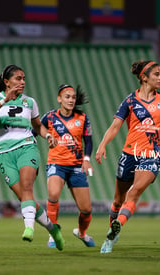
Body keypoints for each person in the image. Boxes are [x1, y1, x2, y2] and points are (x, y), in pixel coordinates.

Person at [96, 60, 160, 253]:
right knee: (118, 200)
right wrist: (102, 145)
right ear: (144, 77)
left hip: (152, 155)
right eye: (156, 74)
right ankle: (112, 233)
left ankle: (115, 228)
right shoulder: (129, 101)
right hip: (129, 154)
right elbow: (115, 126)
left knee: (134, 193)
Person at [0, 64, 65, 251]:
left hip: (26, 147)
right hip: (3, 153)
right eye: (18, 78)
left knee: (27, 188)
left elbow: (37, 126)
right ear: (6, 81)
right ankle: (53, 230)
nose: (22, 82)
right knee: (25, 198)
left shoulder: (30, 102)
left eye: (24, 78)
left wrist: (48, 135)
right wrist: (5, 100)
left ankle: (29, 229)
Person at [41, 84, 95, 248]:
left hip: (76, 167)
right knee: (53, 194)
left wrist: (86, 158)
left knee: (86, 210)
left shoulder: (82, 118)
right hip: (56, 163)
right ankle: (53, 233)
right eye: (67, 97)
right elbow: (36, 130)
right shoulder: (49, 117)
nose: (71, 100)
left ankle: (82, 233)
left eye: (73, 97)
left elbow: (89, 141)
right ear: (59, 99)